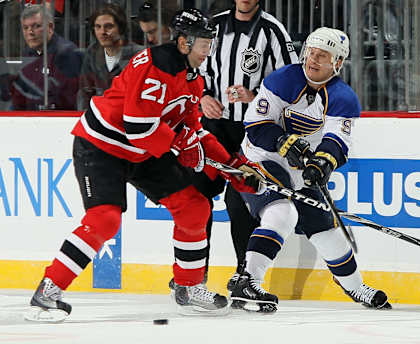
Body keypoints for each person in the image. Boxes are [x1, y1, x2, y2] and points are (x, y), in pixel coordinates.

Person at [24, 8, 264, 322]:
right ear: (183, 42)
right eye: (203, 42)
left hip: (144, 150)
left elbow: (195, 131)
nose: (208, 48)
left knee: (194, 207)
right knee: (104, 220)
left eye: (210, 41)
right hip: (102, 146)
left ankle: (188, 287)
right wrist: (181, 146)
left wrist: (232, 166)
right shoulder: (155, 65)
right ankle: (49, 289)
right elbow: (139, 126)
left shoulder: (193, 79)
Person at [230, 27, 392, 312]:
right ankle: (248, 281)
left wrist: (322, 163)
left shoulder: (343, 97)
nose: (313, 60)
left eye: (323, 56)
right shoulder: (283, 80)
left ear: (338, 63)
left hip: (298, 169)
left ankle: (355, 288)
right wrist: (282, 141)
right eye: (311, 53)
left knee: (327, 232)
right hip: (259, 159)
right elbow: (255, 126)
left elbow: (336, 141)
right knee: (283, 213)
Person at [198, 0, 298, 291]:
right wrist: (203, 96)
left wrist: (255, 96)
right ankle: (194, 272)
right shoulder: (212, 27)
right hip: (213, 127)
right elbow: (193, 69)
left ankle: (245, 273)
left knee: (239, 200)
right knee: (197, 198)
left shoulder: (273, 31)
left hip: (251, 129)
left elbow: (291, 83)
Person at [9, 4, 82, 110]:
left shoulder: (66, 53)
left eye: (36, 26)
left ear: (50, 27)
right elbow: (20, 95)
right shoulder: (27, 53)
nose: (30, 32)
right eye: (26, 28)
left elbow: (65, 101)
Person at [77, 3, 143, 110]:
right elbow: (84, 91)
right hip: (99, 117)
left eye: (108, 26)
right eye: (98, 27)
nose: (102, 32)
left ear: (121, 28)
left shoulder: (139, 54)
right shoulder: (92, 52)